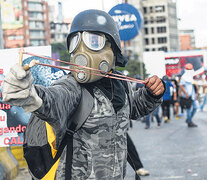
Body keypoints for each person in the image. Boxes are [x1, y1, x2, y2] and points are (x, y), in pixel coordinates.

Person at [2, 9, 165, 180]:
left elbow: (135, 108)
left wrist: (151, 94)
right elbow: (53, 98)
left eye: (93, 41)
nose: (82, 50)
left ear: (113, 47)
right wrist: (27, 92)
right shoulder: (72, 86)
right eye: (76, 42)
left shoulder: (120, 84)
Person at [179, 63, 198, 127]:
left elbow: (193, 86)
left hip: (192, 96)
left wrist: (195, 94)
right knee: (188, 110)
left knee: (195, 107)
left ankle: (189, 119)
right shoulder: (183, 77)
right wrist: (186, 93)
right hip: (187, 96)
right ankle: (189, 122)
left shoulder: (190, 77)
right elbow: (181, 85)